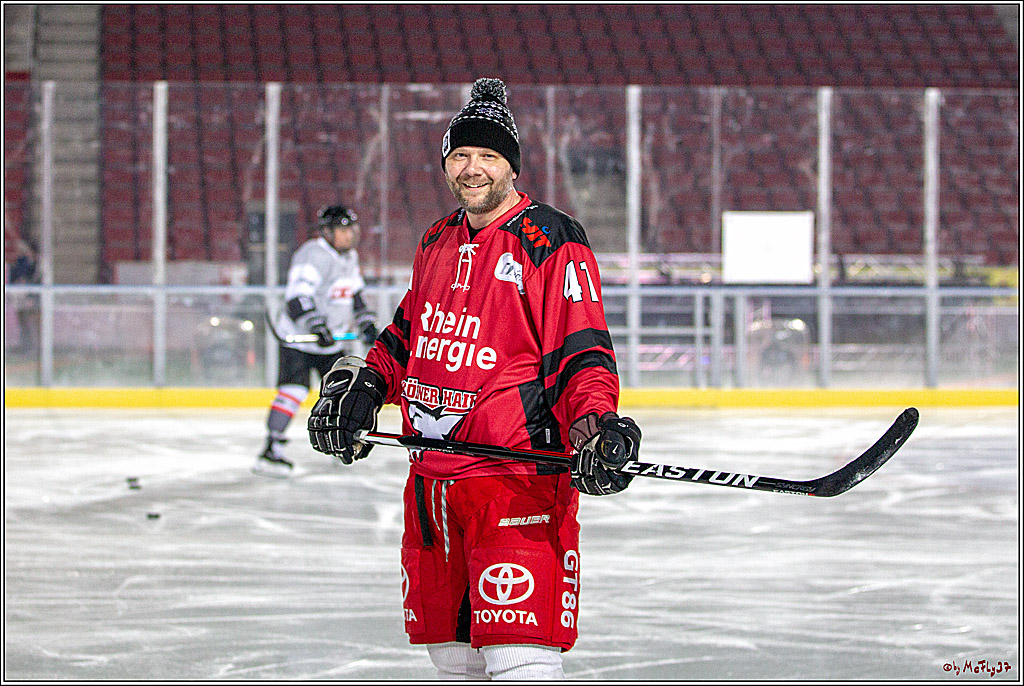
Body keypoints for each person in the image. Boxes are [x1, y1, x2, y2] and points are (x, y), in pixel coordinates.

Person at [307, 78, 641, 679]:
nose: (473, 168)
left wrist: (596, 426)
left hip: (512, 481)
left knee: (518, 656)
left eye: (488, 155)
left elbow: (581, 349)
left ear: (511, 165)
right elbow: (408, 333)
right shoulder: (436, 238)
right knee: (452, 656)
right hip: (432, 484)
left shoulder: (551, 238)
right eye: (460, 155)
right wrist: (367, 387)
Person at [253, 205, 379, 478]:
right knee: (293, 392)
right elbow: (297, 297)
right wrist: (317, 326)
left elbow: (355, 296)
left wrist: (366, 324)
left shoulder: (349, 257)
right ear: (327, 232)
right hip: (300, 342)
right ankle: (271, 450)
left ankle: (339, 444)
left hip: (330, 343)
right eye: (343, 230)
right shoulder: (313, 254)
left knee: (343, 393)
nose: (349, 235)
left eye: (351, 230)